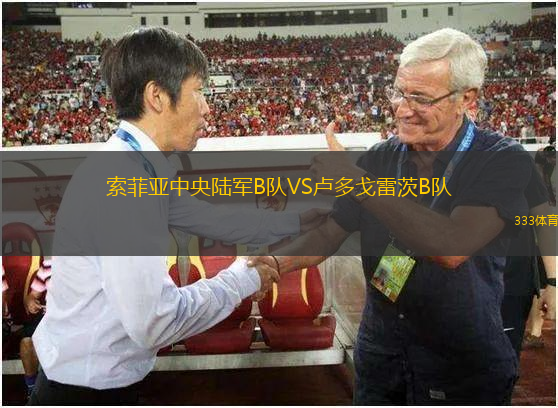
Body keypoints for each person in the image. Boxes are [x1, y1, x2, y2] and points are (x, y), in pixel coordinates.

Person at [29, 27, 323, 405]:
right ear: (157, 96)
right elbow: (155, 321)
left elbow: (213, 220)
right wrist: (245, 277)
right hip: (85, 393)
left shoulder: (139, 165)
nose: (207, 108)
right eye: (198, 90)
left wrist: (304, 218)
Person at [251, 28, 537, 404]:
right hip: (382, 357)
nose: (402, 109)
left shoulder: (501, 159)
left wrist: (358, 182)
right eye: (399, 92)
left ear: (466, 98)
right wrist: (274, 264)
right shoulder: (382, 158)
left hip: (459, 364)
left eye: (420, 98)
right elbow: (331, 231)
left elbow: (452, 246)